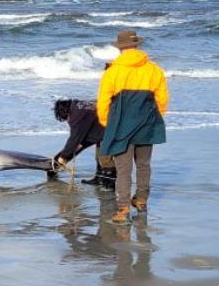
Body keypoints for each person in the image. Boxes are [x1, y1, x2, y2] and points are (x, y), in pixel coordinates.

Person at [97, 30, 169, 224]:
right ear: (136, 46)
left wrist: (106, 123)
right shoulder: (154, 69)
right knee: (144, 165)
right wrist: (155, 118)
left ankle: (123, 208)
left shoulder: (113, 71)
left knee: (123, 168)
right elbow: (162, 99)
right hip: (147, 122)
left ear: (120, 49)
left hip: (121, 124)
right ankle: (142, 200)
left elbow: (103, 101)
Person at [52, 98, 116, 189]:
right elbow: (84, 133)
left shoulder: (77, 116)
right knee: (99, 157)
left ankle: (111, 183)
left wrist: (63, 157)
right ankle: (99, 178)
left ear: (66, 112)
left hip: (111, 128)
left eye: (66, 119)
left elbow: (74, 139)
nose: (67, 121)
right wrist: (80, 144)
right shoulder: (79, 105)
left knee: (105, 158)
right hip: (102, 127)